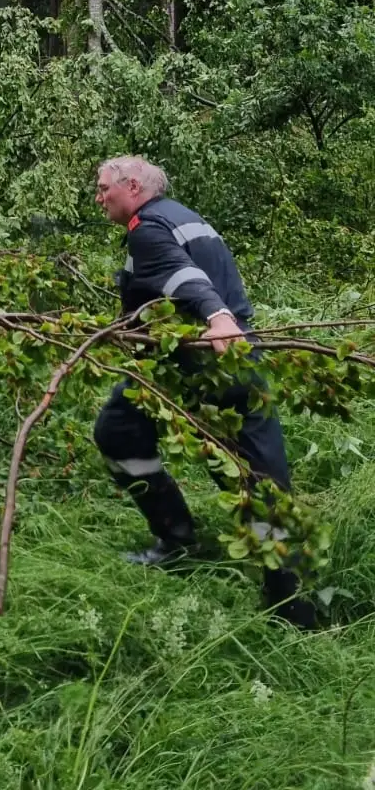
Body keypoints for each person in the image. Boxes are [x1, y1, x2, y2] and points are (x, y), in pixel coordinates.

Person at [92, 155, 315, 628]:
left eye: (103, 187)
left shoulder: (147, 228)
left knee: (117, 429)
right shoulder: (185, 217)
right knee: (257, 476)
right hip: (240, 359)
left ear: (132, 187)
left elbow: (182, 278)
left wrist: (216, 316)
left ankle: (177, 540)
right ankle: (292, 603)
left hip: (197, 364)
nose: (99, 197)